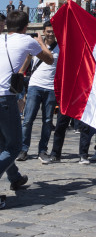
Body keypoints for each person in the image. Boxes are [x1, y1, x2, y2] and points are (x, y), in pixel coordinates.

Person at [0, 10, 53, 207]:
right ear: (25, 27)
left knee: (2, 143)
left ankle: (14, 178)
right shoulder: (27, 40)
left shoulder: (1, 39)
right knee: (14, 146)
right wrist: (39, 41)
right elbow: (49, 59)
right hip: (5, 98)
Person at [17, 21, 59, 163]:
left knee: (47, 121)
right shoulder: (36, 46)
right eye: (48, 31)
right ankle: (23, 149)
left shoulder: (60, 48)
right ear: (43, 32)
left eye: (53, 31)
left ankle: (42, 150)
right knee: (28, 120)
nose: (50, 34)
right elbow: (27, 60)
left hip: (51, 88)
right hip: (35, 86)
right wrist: (20, 74)